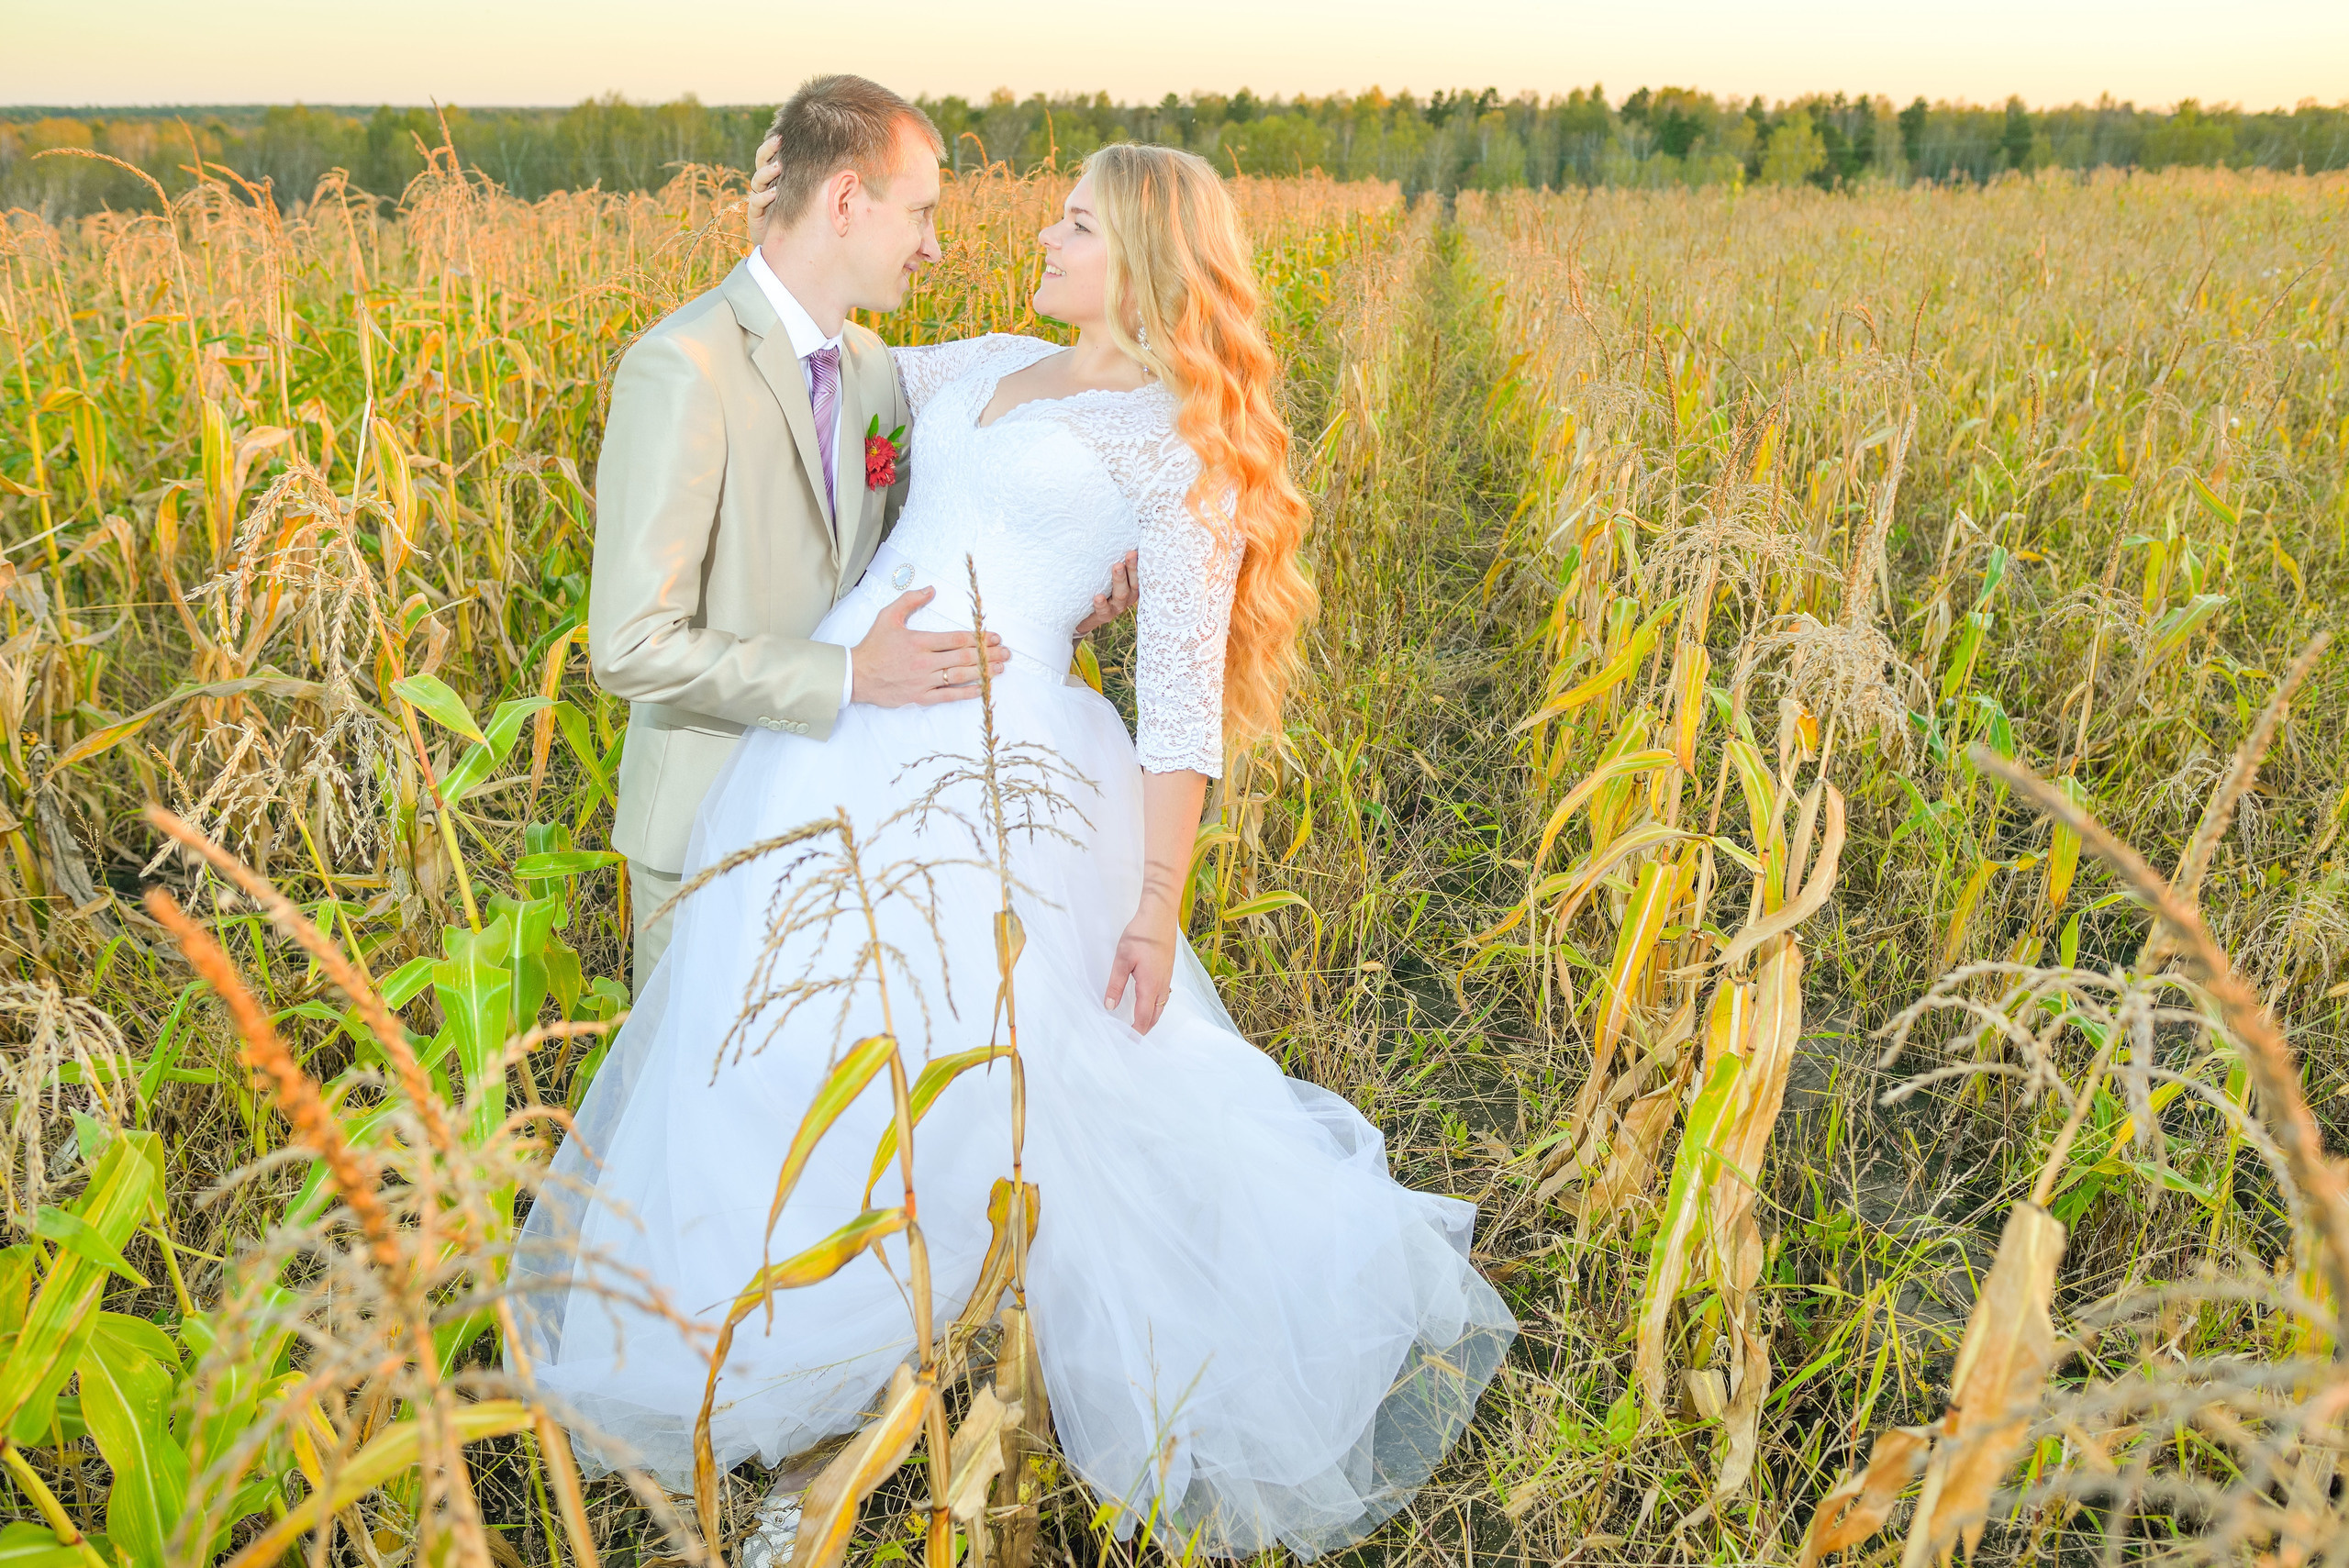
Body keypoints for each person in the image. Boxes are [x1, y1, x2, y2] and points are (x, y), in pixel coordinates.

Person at [519, 108, 1515, 1563]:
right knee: (783, 1046)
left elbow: (1181, 712)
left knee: (953, 1074)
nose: (1037, 238)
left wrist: (1156, 899)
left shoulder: (1183, 453)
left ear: (1150, 260)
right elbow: (819, 380)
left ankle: (881, 1421)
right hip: (824, 748)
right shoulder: (977, 365)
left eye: (1076, 224)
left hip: (998, 772)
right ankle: (765, 1352)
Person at [585, 73, 1133, 994]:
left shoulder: (876, 369)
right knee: (700, 1123)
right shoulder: (682, 369)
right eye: (920, 214)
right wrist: (848, 677)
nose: (935, 246)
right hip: (706, 829)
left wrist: (1064, 587)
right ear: (846, 200)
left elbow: (956, 512)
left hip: (845, 821)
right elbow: (631, 646)